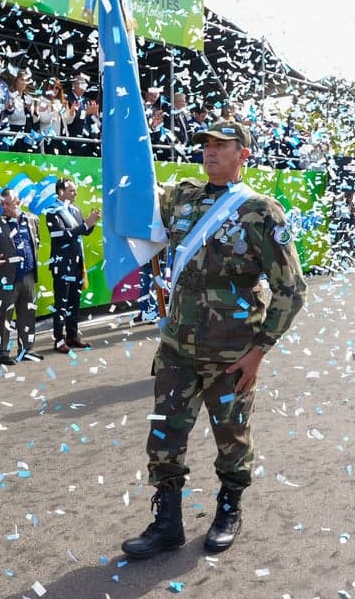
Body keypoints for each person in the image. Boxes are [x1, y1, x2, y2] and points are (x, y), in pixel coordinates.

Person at [122, 120, 307, 559]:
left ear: (244, 154)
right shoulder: (181, 197)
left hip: (232, 356)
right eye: (206, 144)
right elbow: (135, 191)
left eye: (222, 146)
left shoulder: (262, 212)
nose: (210, 151)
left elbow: (292, 289)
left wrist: (259, 352)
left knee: (232, 439)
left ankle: (228, 509)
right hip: (177, 351)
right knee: (164, 438)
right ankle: (167, 522)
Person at [0, 188, 43, 364]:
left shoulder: (33, 220)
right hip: (6, 279)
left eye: (7, 204)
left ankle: (26, 349)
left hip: (28, 276)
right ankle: (2, 352)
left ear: (18, 203)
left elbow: (36, 243)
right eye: (2, 204)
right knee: (5, 315)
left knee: (28, 314)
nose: (4, 207)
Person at [45, 177, 100, 353]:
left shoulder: (75, 210)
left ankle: (72, 335)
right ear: (61, 192)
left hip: (77, 263)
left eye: (75, 190)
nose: (75, 193)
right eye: (71, 190)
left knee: (74, 302)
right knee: (61, 303)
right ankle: (58, 340)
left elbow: (82, 231)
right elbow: (61, 234)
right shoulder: (52, 211)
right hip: (61, 265)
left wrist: (91, 223)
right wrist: (85, 225)